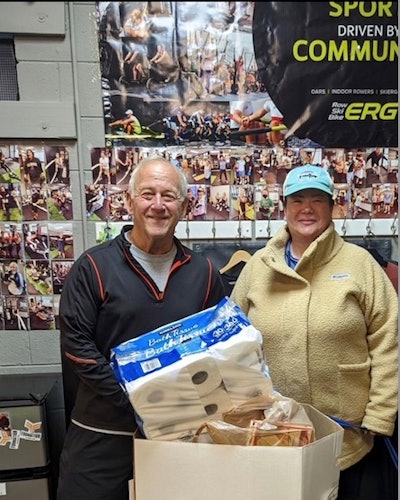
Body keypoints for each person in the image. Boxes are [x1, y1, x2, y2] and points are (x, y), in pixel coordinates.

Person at [57, 157, 226, 500]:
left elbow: (218, 347)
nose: (158, 205)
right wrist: (137, 399)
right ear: (130, 201)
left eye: (169, 196)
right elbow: (77, 346)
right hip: (101, 437)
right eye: (148, 194)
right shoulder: (93, 267)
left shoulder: (205, 273)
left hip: (178, 438)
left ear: (185, 205)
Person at [230, 165, 398, 500]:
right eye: (298, 200)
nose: (307, 208)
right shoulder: (257, 268)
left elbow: (388, 342)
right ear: (284, 208)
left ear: (332, 206)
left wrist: (380, 415)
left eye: (317, 200)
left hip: (350, 441)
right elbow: (234, 346)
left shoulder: (361, 265)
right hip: (274, 438)